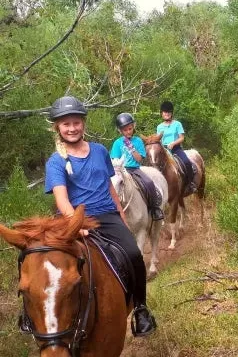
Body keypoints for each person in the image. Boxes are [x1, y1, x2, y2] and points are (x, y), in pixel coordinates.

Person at [41, 96, 157, 337]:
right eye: (66, 124)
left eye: (76, 122)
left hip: (106, 215)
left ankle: (141, 310)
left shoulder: (99, 151)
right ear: (58, 128)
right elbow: (61, 199)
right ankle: (36, 318)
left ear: (83, 124)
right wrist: (76, 225)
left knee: (134, 254)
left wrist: (121, 219)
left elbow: (110, 187)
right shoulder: (56, 161)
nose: (72, 128)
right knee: (43, 262)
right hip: (75, 219)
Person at [110, 112, 164, 221]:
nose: (128, 132)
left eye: (129, 129)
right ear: (120, 131)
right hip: (121, 170)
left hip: (134, 169)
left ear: (133, 127)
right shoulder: (117, 143)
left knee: (148, 183)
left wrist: (132, 149)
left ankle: (155, 209)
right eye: (125, 130)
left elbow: (139, 159)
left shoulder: (138, 141)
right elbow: (114, 159)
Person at [157, 101, 195, 194]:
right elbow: (159, 140)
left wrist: (173, 143)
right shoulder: (159, 127)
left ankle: (191, 183)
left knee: (186, 162)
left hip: (176, 149)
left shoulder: (177, 124)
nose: (167, 114)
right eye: (165, 112)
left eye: (169, 112)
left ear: (172, 113)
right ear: (162, 113)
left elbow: (182, 138)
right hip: (164, 150)